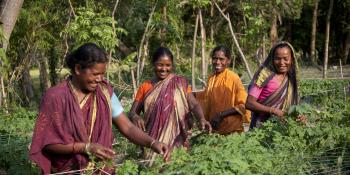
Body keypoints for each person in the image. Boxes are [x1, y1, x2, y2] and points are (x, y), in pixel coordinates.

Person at [29, 43, 169, 174]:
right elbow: (46, 143)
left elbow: (127, 127)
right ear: (78, 69)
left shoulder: (105, 93)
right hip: (66, 169)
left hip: (100, 169)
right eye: (95, 74)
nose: (99, 79)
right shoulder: (55, 97)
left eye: (102, 74)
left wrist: (152, 142)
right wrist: (86, 147)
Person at [129, 47, 211, 155]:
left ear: (172, 65)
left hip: (178, 140)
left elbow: (194, 104)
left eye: (168, 65)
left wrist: (202, 119)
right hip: (153, 142)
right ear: (153, 64)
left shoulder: (180, 84)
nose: (164, 69)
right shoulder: (145, 87)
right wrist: (135, 116)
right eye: (160, 64)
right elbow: (132, 112)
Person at [195, 45, 251, 135]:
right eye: (215, 58)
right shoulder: (211, 78)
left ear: (228, 61)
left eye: (221, 59)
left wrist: (221, 114)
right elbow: (206, 97)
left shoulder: (233, 78)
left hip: (232, 131)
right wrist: (189, 94)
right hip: (215, 130)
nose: (217, 62)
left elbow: (244, 105)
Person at [246, 41, 299, 129]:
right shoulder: (264, 76)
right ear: (272, 59)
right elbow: (249, 103)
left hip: (284, 127)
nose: (282, 62)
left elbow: (295, 102)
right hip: (262, 127)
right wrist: (273, 110)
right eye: (277, 58)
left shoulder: (291, 78)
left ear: (292, 59)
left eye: (286, 59)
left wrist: (299, 115)